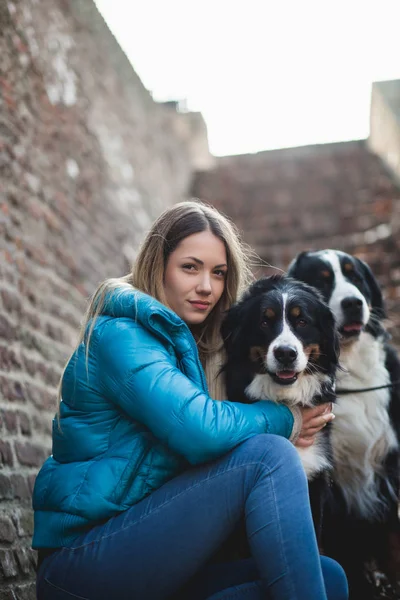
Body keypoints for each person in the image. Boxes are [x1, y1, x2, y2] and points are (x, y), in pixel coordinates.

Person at [33, 200, 348, 600]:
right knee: (268, 454)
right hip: (83, 562)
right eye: (190, 267)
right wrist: (291, 421)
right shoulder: (120, 335)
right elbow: (198, 428)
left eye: (218, 273)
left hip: (156, 553)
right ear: (157, 264)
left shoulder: (196, 345)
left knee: (329, 577)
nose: (207, 287)